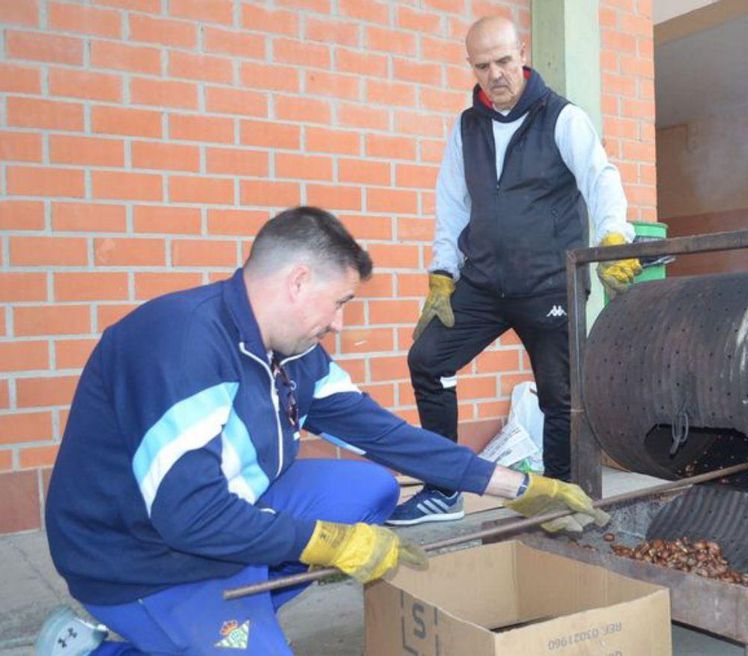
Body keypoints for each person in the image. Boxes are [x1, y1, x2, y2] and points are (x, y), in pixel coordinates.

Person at [35, 207, 608, 656]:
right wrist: (329, 543)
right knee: (291, 570)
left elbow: (384, 436)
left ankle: (229, 610)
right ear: (297, 281)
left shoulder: (292, 350)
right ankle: (111, 644)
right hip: (142, 558)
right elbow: (190, 517)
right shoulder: (180, 344)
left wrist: (519, 488)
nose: (340, 321)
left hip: (223, 519)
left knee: (368, 491)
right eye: (340, 303)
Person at [390, 15, 642, 526]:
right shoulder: (467, 128)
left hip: (549, 283)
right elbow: (451, 206)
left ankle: (560, 499)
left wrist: (614, 236)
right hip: (483, 283)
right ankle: (444, 490)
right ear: (472, 68)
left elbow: (601, 179)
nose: (495, 74)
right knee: (428, 359)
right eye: (482, 66)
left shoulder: (562, 118)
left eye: (504, 61)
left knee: (560, 399)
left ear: (522, 53)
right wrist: (443, 272)